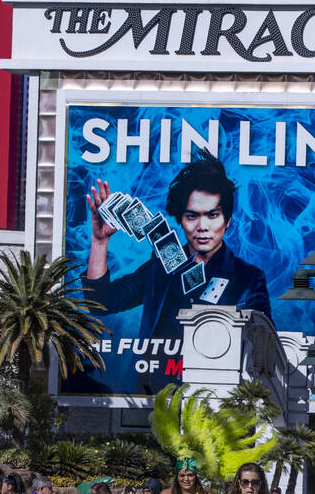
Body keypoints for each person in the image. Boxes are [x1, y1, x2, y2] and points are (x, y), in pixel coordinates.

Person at [82, 152, 271, 357]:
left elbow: (263, 348)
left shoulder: (249, 278)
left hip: (215, 386)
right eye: (192, 216)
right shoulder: (160, 267)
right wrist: (99, 242)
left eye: (213, 215)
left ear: (227, 221)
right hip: (157, 387)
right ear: (181, 220)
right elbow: (101, 303)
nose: (202, 227)